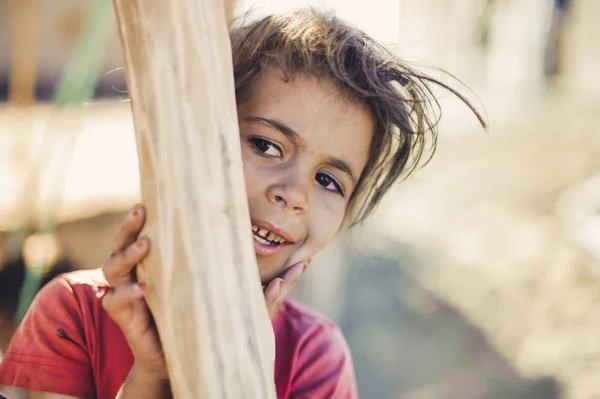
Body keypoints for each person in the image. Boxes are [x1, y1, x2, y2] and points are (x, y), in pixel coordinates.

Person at [0, 9, 484, 399]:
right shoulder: (74, 314)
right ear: (196, 144)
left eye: (329, 180)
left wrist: (243, 371)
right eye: (267, 145)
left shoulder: (312, 355)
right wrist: (150, 376)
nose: (293, 194)